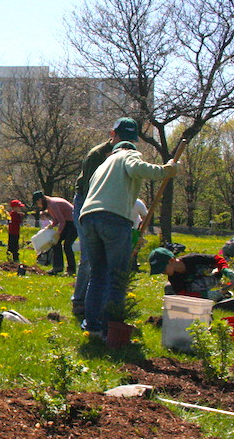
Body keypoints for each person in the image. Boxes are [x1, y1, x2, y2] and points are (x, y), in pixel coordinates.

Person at [79, 141, 178, 337]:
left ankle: (92, 326)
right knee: (117, 276)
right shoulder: (127, 155)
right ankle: (110, 329)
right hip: (114, 218)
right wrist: (166, 170)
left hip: (88, 218)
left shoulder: (101, 166)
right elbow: (137, 168)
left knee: (98, 274)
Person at [71, 117, 139, 317]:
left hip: (112, 208)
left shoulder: (130, 155)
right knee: (89, 258)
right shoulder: (97, 155)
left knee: (108, 263)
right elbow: (92, 189)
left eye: (130, 140)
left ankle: (104, 305)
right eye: (121, 137)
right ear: (112, 135)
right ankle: (80, 301)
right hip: (87, 203)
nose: (126, 143)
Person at [149, 247, 234, 302]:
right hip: (197, 288)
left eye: (163, 269)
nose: (162, 272)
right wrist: (204, 295)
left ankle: (223, 294)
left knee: (196, 283)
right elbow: (183, 294)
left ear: (171, 260)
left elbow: (217, 259)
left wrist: (225, 270)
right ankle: (216, 297)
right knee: (169, 287)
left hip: (211, 277)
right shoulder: (173, 278)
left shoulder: (192, 259)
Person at [33, 190, 76, 275]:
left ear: (40, 200)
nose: (38, 205)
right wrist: (52, 225)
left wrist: (57, 233)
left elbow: (62, 221)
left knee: (67, 245)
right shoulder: (49, 205)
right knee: (56, 243)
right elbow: (57, 219)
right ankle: (58, 267)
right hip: (67, 222)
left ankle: (71, 269)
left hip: (73, 223)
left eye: (37, 203)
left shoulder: (52, 204)